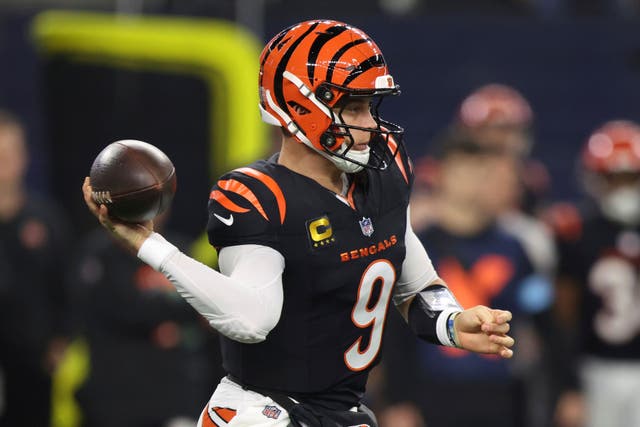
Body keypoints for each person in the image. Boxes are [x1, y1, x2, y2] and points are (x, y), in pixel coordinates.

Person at [82, 19, 515, 427]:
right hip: (263, 411)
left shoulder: (385, 176)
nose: (369, 125)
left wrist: (452, 323)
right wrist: (149, 244)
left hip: (343, 409)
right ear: (299, 106)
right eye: (355, 107)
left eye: (370, 107)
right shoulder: (261, 197)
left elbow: (412, 281)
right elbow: (251, 320)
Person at [379, 136, 551, 427]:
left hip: (500, 392)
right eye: (465, 170)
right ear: (443, 174)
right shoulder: (416, 245)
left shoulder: (516, 248)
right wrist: (397, 400)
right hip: (432, 390)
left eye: (482, 172)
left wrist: (564, 390)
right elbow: (395, 331)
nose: (474, 182)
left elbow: (543, 320)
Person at [68, 211, 225, 427]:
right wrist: (171, 313)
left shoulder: (179, 250)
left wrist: (181, 320)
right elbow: (116, 309)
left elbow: (208, 311)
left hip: (177, 395)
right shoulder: (96, 253)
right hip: (115, 399)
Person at [550, 119, 640, 427]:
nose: (624, 189)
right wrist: (569, 384)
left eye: (631, 178)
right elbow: (565, 317)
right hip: (595, 368)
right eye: (614, 179)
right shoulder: (577, 234)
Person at [0, 109, 73, 426]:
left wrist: (61, 341)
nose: (2, 162)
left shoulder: (47, 221)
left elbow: (68, 287)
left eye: (8, 153)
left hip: (33, 366)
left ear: (24, 157)